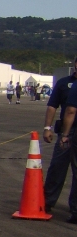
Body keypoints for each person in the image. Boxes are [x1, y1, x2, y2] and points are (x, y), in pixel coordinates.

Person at [43, 56, 77, 222]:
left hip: (69, 132)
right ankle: (47, 202)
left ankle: (75, 209)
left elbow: (71, 110)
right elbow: (52, 106)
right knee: (57, 167)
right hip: (67, 130)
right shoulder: (64, 83)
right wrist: (47, 127)